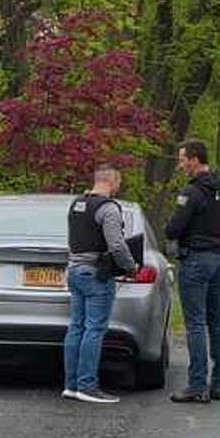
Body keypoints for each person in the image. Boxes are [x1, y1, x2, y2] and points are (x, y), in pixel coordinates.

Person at [165, 139, 220, 403]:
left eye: (182, 158)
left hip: (196, 260)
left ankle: (197, 384)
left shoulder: (192, 192)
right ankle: (219, 383)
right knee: (216, 321)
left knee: (195, 323)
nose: (180, 163)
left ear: (194, 159)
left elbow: (173, 229)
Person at [64, 165, 137, 404]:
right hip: (96, 274)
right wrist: (130, 266)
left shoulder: (76, 205)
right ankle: (88, 386)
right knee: (94, 329)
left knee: (76, 327)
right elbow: (116, 244)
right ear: (111, 181)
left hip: (74, 271)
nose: (119, 187)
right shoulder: (108, 208)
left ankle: (72, 385)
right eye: (119, 182)